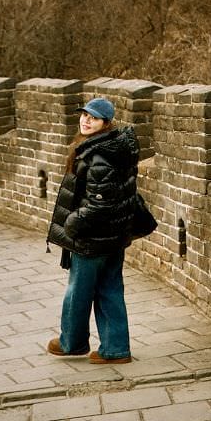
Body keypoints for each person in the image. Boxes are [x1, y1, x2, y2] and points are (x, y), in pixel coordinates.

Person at [45, 96, 138, 364]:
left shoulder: (98, 155)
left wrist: (73, 223)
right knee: (109, 289)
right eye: (84, 115)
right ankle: (116, 349)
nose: (86, 120)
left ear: (106, 123)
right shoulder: (112, 147)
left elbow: (101, 202)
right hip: (113, 236)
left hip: (93, 238)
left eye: (93, 118)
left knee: (78, 292)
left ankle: (71, 343)